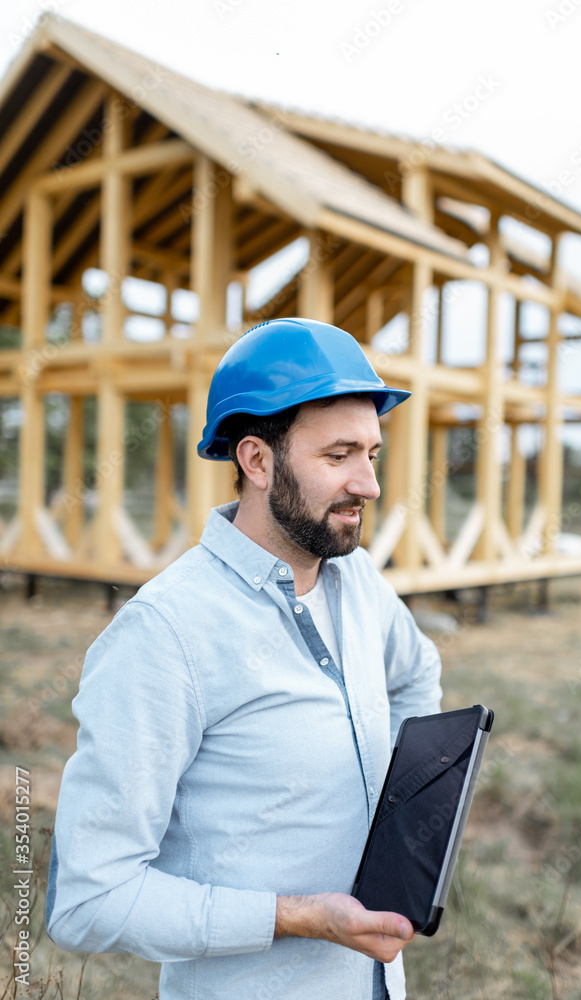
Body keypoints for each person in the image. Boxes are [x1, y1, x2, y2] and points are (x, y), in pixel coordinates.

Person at [47, 317, 443, 1000]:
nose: (369, 484)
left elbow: (416, 676)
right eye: (339, 455)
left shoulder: (360, 584)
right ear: (256, 461)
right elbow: (87, 899)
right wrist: (296, 918)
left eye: (372, 454)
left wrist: (402, 827)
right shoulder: (164, 634)